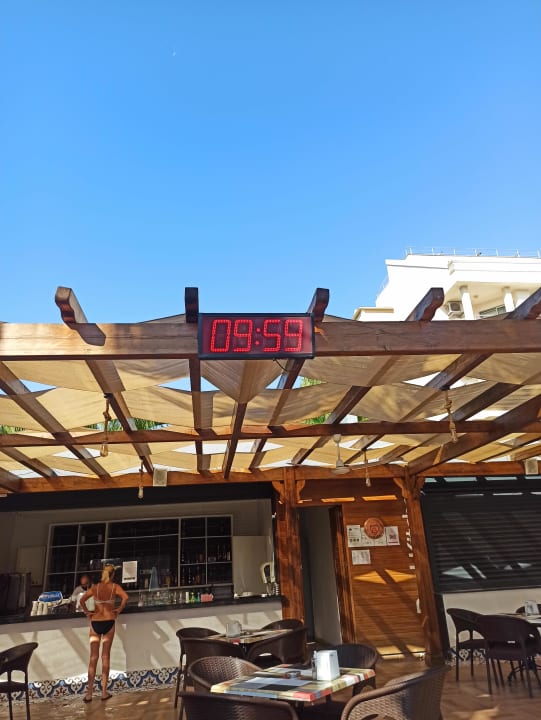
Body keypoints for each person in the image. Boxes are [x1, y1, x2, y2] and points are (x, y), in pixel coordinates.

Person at [80, 564, 128, 702]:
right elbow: (125, 597)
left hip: (95, 622)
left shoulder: (95, 588)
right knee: (105, 656)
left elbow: (82, 600)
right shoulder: (114, 587)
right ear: (112, 575)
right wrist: (118, 610)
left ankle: (89, 693)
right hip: (109, 621)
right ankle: (104, 692)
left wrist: (88, 613)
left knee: (93, 657)